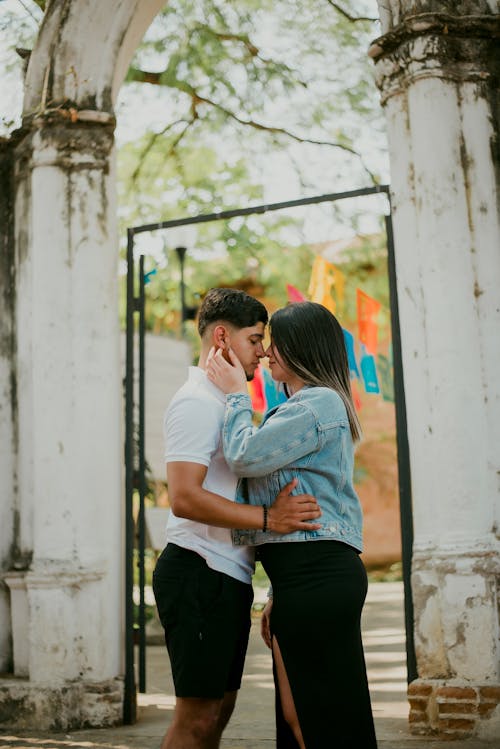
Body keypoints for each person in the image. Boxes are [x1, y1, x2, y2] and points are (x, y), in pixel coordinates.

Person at [152, 288, 321, 749]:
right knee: (197, 720)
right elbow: (184, 498)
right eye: (255, 339)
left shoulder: (224, 401)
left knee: (219, 714)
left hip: (227, 576)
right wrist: (270, 517)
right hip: (197, 571)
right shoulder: (195, 402)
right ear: (222, 338)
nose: (263, 352)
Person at [206, 301, 378, 749]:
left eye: (274, 342)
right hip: (300, 578)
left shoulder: (317, 403)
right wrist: (276, 593)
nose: (265, 354)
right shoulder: (297, 405)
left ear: (301, 347)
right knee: (299, 717)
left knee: (314, 716)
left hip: (319, 576)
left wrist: (234, 395)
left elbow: (244, 455)